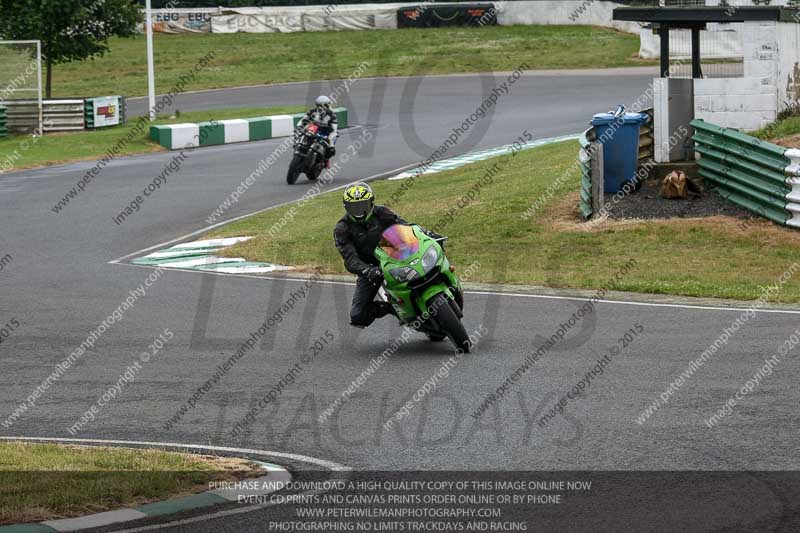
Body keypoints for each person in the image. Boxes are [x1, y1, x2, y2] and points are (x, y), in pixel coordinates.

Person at [334, 182, 441, 328]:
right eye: (354, 207)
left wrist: (427, 234)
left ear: (371, 202)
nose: (359, 211)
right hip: (372, 268)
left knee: (432, 259)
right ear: (346, 207)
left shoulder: (382, 212)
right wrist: (366, 270)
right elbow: (350, 259)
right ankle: (392, 308)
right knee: (358, 315)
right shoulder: (342, 228)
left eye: (363, 205)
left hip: (396, 256)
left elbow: (405, 226)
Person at [296, 95, 338, 167]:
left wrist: (329, 140)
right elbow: (303, 120)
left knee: (331, 150)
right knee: (303, 134)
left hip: (327, 132)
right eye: (327, 104)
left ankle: (326, 159)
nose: (328, 106)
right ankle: (300, 147)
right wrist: (299, 127)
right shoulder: (312, 111)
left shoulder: (332, 114)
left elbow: (334, 130)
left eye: (328, 104)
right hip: (315, 129)